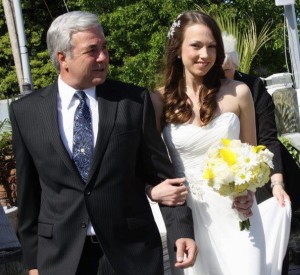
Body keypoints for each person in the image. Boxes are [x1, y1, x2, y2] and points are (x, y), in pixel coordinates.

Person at [9, 11, 197, 275]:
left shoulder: (133, 102)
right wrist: (33, 262)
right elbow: (29, 196)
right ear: (63, 57)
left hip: (131, 254)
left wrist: (180, 231)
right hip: (61, 259)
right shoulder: (26, 112)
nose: (103, 57)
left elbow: (161, 177)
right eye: (92, 50)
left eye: (104, 48)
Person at [149, 11, 267, 275]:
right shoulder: (158, 101)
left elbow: (253, 155)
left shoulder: (239, 93)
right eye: (196, 46)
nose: (205, 54)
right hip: (191, 219)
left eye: (212, 46)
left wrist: (248, 192)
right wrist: (152, 191)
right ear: (177, 50)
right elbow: (149, 164)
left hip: (239, 214)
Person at [221, 32, 290, 206]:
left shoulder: (253, 86)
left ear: (235, 65)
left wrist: (277, 184)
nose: (222, 77)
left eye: (227, 70)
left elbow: (267, 137)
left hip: (257, 163)